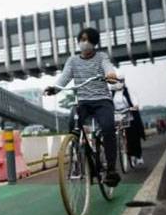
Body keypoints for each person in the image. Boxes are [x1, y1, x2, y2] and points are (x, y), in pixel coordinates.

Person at [44, 28, 120, 186]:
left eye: (88, 40)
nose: (84, 43)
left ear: (94, 43)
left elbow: (108, 67)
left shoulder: (101, 57)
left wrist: (111, 75)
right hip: (83, 102)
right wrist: (54, 88)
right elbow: (64, 77)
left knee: (108, 127)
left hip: (102, 101)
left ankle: (111, 169)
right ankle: (79, 155)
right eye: (81, 39)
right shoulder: (73, 61)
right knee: (73, 124)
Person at [110, 71, 146, 167]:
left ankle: (138, 155)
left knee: (133, 135)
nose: (118, 83)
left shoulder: (129, 90)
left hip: (129, 114)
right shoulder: (111, 93)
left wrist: (134, 106)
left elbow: (135, 102)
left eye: (120, 81)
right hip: (116, 116)